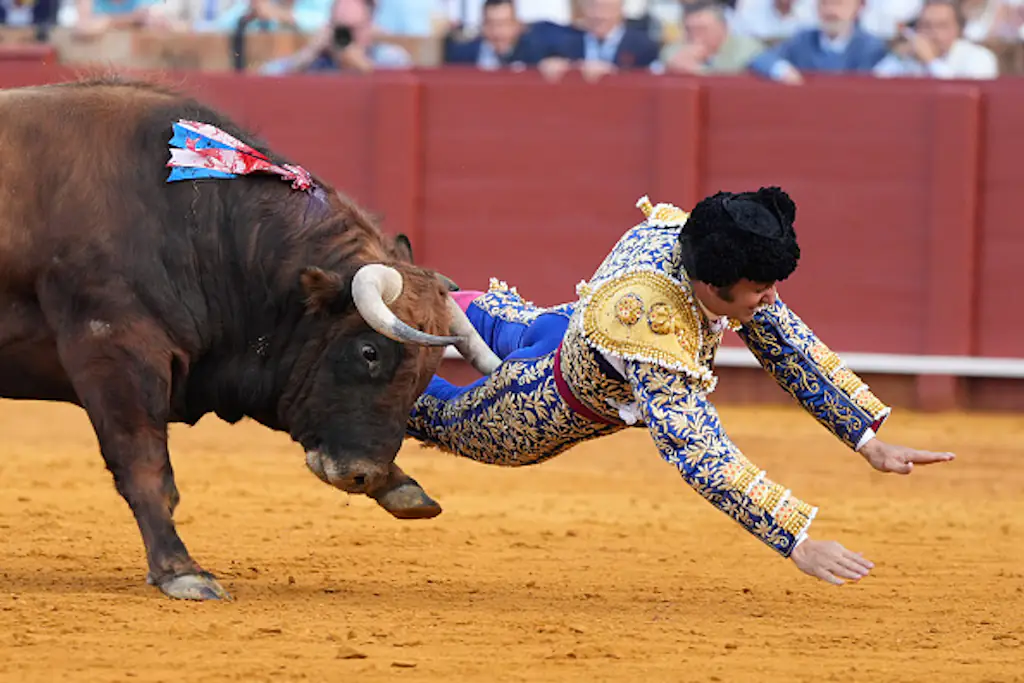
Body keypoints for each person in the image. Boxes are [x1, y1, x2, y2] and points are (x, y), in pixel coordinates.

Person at [394, 187, 956, 586]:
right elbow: (698, 450)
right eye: (760, 289)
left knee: (439, 304)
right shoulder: (655, 331)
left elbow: (783, 341)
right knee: (398, 397)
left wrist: (866, 439)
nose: (770, 299)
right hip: (536, 407)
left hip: (556, 328)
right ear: (713, 284)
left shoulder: (688, 237)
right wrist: (796, 540)